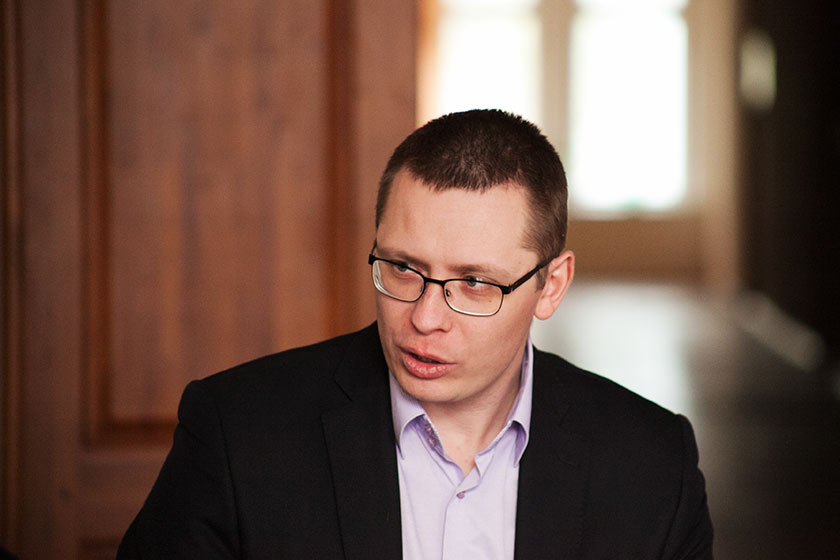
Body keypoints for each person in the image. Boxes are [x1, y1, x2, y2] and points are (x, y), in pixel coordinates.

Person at [118, 109, 713, 559]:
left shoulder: (655, 464)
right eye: (403, 268)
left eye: (474, 282)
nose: (425, 318)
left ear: (550, 286)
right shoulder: (236, 433)